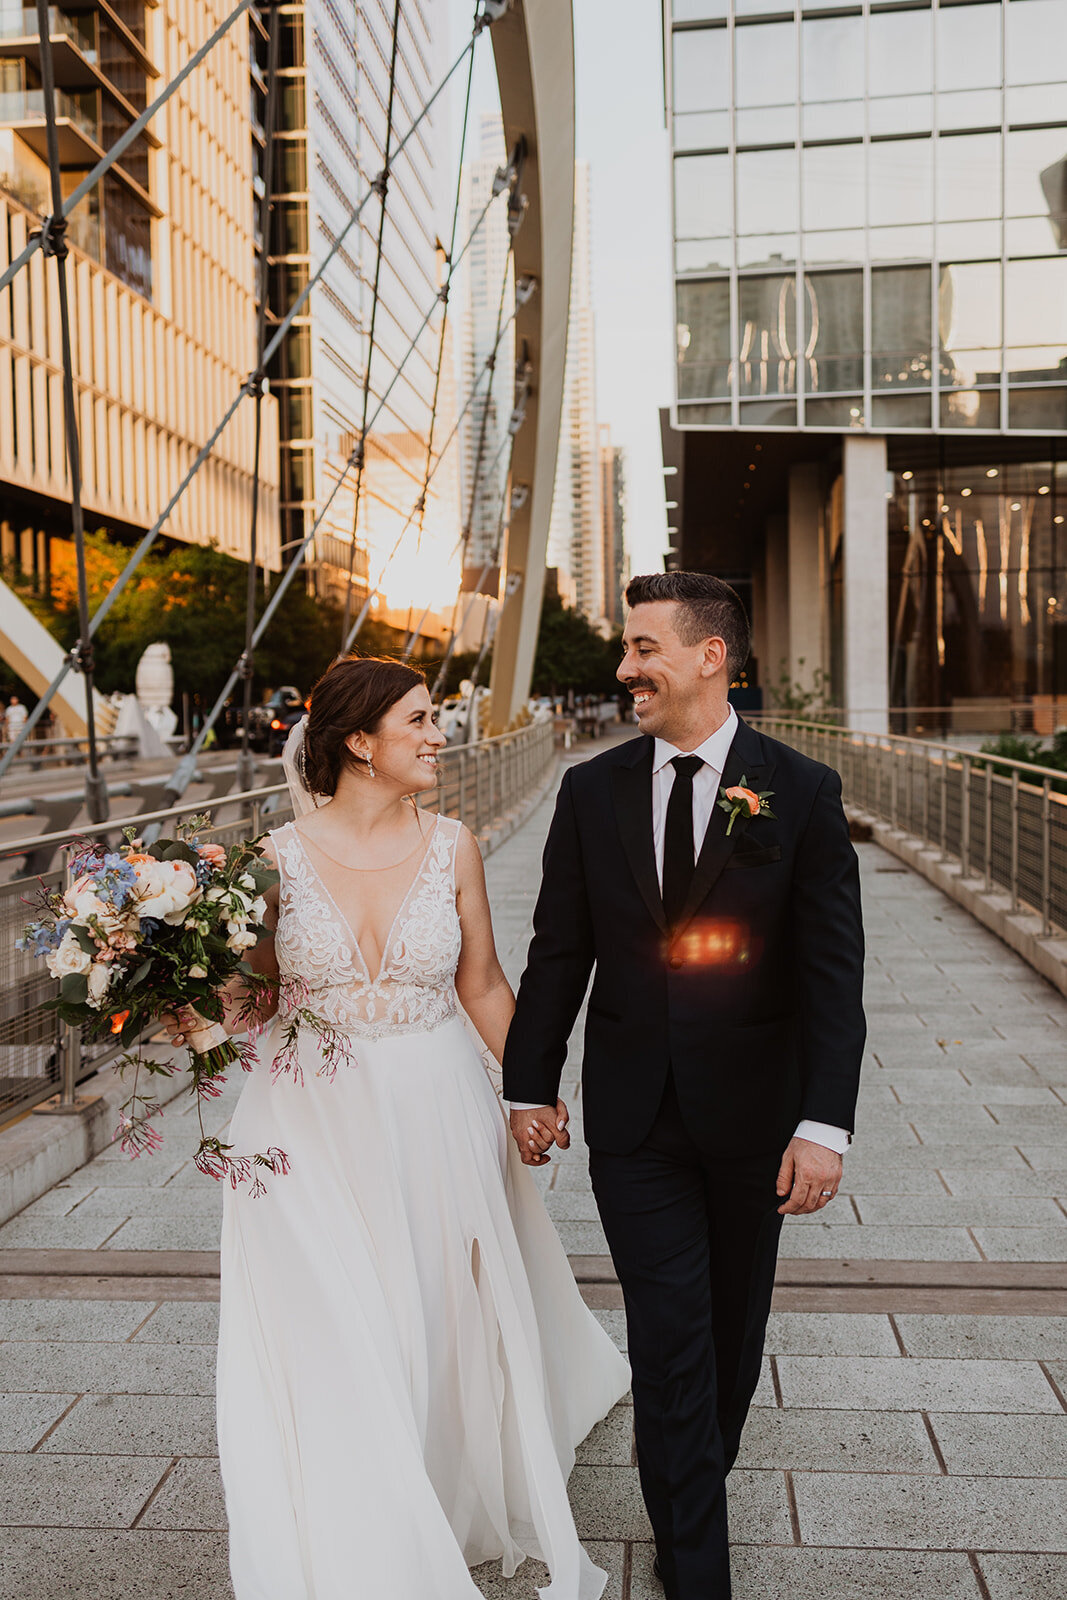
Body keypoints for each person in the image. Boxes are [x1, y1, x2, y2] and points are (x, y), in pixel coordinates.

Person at [173, 655, 629, 1600]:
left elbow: (483, 985)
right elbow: (256, 996)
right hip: (304, 1117)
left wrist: (531, 1089)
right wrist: (187, 1006)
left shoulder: (453, 843)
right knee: (332, 1314)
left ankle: (428, 1491)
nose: (438, 735)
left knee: (429, 1305)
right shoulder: (275, 858)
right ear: (358, 743)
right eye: (419, 720)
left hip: (435, 1109)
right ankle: (350, 1525)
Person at [502, 572, 865, 1600]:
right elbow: (558, 949)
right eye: (626, 648)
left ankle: (687, 1484)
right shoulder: (591, 790)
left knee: (728, 1338)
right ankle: (694, 1558)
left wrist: (822, 1124)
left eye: (642, 647)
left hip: (757, 1119)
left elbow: (831, 972)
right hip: (632, 1121)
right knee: (667, 1335)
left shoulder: (797, 790)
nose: (625, 668)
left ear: (711, 656)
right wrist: (527, 1084)